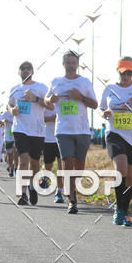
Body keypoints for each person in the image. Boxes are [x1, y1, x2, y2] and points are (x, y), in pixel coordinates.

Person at [100, 57, 132, 227]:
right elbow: (101, 109)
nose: (126, 76)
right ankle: (118, 210)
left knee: (130, 178)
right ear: (118, 71)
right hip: (114, 134)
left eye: (129, 73)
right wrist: (104, 113)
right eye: (123, 72)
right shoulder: (110, 89)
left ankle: (124, 209)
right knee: (120, 169)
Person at [45, 50, 98, 213]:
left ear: (77, 64)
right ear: (63, 64)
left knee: (79, 165)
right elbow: (47, 101)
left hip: (81, 130)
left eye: (73, 63)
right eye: (68, 62)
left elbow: (94, 104)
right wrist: (50, 100)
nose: (71, 66)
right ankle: (71, 198)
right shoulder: (56, 81)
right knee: (67, 162)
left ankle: (72, 189)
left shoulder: (84, 82)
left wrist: (79, 97)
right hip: (63, 129)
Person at [8, 61, 48, 206]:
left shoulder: (41, 87)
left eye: (28, 68)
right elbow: (10, 104)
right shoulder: (15, 89)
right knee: (23, 160)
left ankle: (32, 187)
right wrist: (12, 110)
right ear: (19, 72)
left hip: (37, 130)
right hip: (20, 129)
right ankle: (22, 193)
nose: (25, 71)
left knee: (34, 163)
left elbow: (49, 104)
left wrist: (35, 99)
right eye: (22, 69)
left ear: (32, 71)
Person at [43, 106, 63, 202]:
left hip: (61, 138)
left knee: (61, 166)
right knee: (48, 166)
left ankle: (59, 191)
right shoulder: (45, 105)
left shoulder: (62, 103)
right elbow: (40, 119)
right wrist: (53, 118)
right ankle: (44, 176)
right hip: (48, 139)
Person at [1, 107, 17, 176]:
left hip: (16, 134)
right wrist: (4, 121)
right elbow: (1, 121)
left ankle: (15, 169)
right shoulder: (5, 113)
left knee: (15, 153)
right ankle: (10, 167)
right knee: (9, 154)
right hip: (8, 136)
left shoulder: (18, 111)